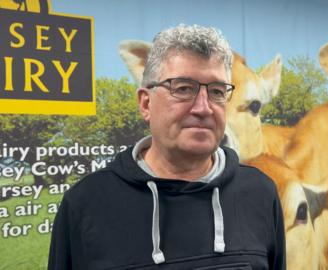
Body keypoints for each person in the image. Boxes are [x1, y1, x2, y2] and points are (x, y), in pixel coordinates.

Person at [48, 24, 286, 270]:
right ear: (146, 103)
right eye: (183, 88)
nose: (204, 108)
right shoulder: (86, 204)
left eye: (216, 91)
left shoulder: (260, 192)